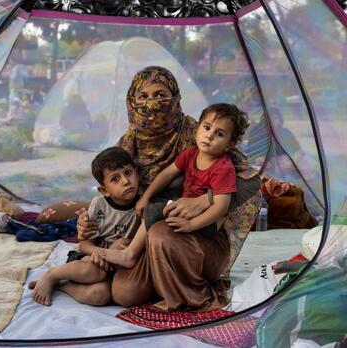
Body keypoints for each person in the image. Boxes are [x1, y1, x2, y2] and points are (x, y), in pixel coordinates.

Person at [77, 66, 261, 311]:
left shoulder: (196, 136)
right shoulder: (128, 144)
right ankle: (157, 278)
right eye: (143, 97)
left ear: (174, 97)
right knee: (123, 293)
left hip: (194, 238)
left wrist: (205, 200)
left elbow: (253, 180)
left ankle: (182, 288)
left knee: (161, 233)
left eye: (161, 94)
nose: (152, 104)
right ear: (132, 101)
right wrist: (89, 224)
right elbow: (115, 194)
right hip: (146, 236)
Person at [98, 103, 249, 269]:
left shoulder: (223, 168)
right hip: (186, 206)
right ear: (198, 129)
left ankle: (130, 254)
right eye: (206, 127)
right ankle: (140, 253)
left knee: (155, 209)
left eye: (219, 134)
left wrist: (193, 224)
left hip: (207, 222)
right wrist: (145, 197)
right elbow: (166, 174)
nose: (209, 136)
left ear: (229, 145)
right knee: (154, 202)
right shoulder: (191, 154)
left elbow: (221, 207)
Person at [27, 147, 141, 306]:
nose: (125, 181)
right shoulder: (99, 205)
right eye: (115, 179)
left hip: (117, 266)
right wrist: (102, 253)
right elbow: (85, 244)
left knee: (100, 295)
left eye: (128, 173)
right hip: (90, 260)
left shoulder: (143, 205)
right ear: (104, 190)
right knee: (95, 271)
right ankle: (52, 275)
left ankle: (62, 285)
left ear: (137, 173)